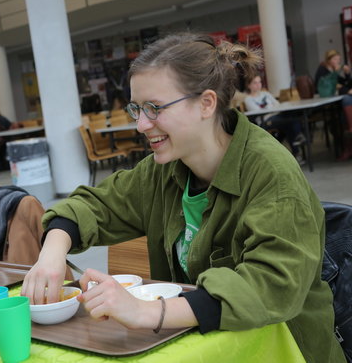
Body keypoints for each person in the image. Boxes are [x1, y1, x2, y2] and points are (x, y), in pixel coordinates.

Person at [21, 33, 345, 363]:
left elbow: (271, 285)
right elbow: (96, 204)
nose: (141, 124)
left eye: (154, 108)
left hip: (282, 350)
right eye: (136, 108)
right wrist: (52, 254)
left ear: (206, 103)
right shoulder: (164, 170)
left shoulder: (271, 175)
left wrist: (148, 313)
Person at [244, 74, 306, 164]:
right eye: (255, 83)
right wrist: (271, 106)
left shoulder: (266, 94)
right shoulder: (248, 99)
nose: (258, 85)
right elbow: (257, 111)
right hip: (265, 121)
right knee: (289, 122)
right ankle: (298, 137)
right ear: (249, 85)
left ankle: (297, 143)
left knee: (290, 117)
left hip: (277, 116)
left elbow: (277, 104)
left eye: (259, 82)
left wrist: (270, 107)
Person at [314, 50, 352, 160]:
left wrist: (347, 73)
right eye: (335, 59)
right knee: (344, 105)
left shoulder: (336, 69)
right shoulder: (323, 70)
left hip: (337, 103)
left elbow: (345, 83)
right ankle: (346, 145)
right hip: (325, 102)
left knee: (343, 114)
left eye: (339, 60)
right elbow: (329, 86)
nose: (338, 62)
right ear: (329, 60)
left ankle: (347, 146)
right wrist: (345, 89)